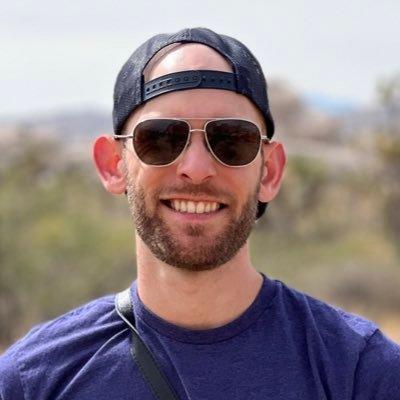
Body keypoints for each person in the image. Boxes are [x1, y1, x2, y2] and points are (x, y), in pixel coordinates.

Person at [1, 27, 399, 400]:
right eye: (160, 139)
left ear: (270, 172)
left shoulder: (360, 373)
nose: (196, 168)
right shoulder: (34, 382)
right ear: (112, 164)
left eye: (231, 140)